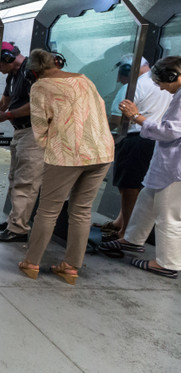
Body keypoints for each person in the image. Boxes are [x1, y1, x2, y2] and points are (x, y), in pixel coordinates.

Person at [18, 50, 115, 285]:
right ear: (57, 63)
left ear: (34, 71)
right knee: (82, 211)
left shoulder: (41, 86)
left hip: (67, 153)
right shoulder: (84, 79)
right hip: (102, 151)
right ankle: (70, 267)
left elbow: (40, 126)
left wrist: (50, 147)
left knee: (48, 210)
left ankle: (31, 263)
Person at [100, 56, 181, 278]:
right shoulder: (178, 94)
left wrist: (137, 117)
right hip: (166, 161)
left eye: (162, 83)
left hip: (175, 168)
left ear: (172, 76)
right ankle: (132, 239)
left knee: (168, 215)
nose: (162, 89)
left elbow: (171, 131)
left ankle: (167, 263)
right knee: (147, 200)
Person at [96, 56, 171, 241]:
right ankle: (120, 223)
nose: (118, 79)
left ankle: (125, 233)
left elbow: (116, 119)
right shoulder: (163, 85)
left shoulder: (133, 87)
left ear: (130, 69)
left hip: (135, 139)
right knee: (136, 185)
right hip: (155, 141)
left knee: (128, 186)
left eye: (121, 74)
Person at [0, 42, 44, 243]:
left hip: (33, 133)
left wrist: (7, 115)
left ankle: (18, 229)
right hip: (20, 132)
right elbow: (4, 102)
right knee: (15, 178)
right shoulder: (13, 75)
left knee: (26, 182)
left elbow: (37, 104)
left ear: (8, 58)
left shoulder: (32, 72)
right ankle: (14, 220)